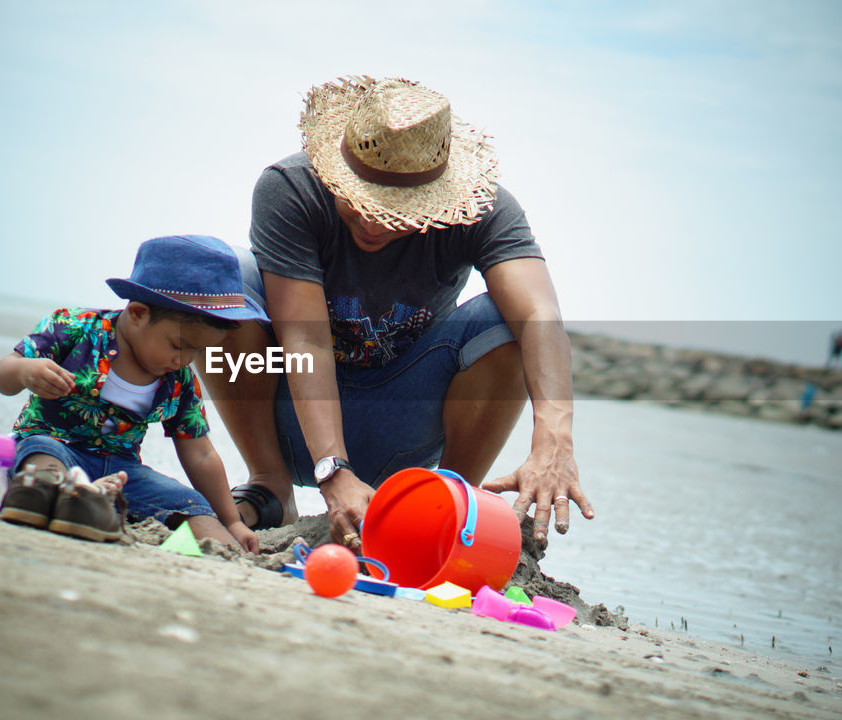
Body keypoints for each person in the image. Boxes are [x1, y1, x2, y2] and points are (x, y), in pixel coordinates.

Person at [197, 76, 592, 551]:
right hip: (293, 415)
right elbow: (307, 343)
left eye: (392, 210)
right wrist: (332, 469)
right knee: (223, 276)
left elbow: (541, 314)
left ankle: (440, 507)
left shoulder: (485, 209)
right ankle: (270, 487)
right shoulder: (289, 189)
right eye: (357, 199)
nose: (368, 221)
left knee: (505, 320)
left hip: (402, 426)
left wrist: (554, 435)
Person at [0, 235, 264, 553]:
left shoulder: (180, 379)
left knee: (193, 505)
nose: (185, 360)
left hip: (123, 471)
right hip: (54, 448)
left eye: (198, 351)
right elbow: (3, 375)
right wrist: (25, 371)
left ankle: (91, 498)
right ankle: (69, 492)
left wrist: (231, 522)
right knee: (42, 456)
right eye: (178, 345)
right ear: (137, 313)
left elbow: (200, 453)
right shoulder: (74, 327)